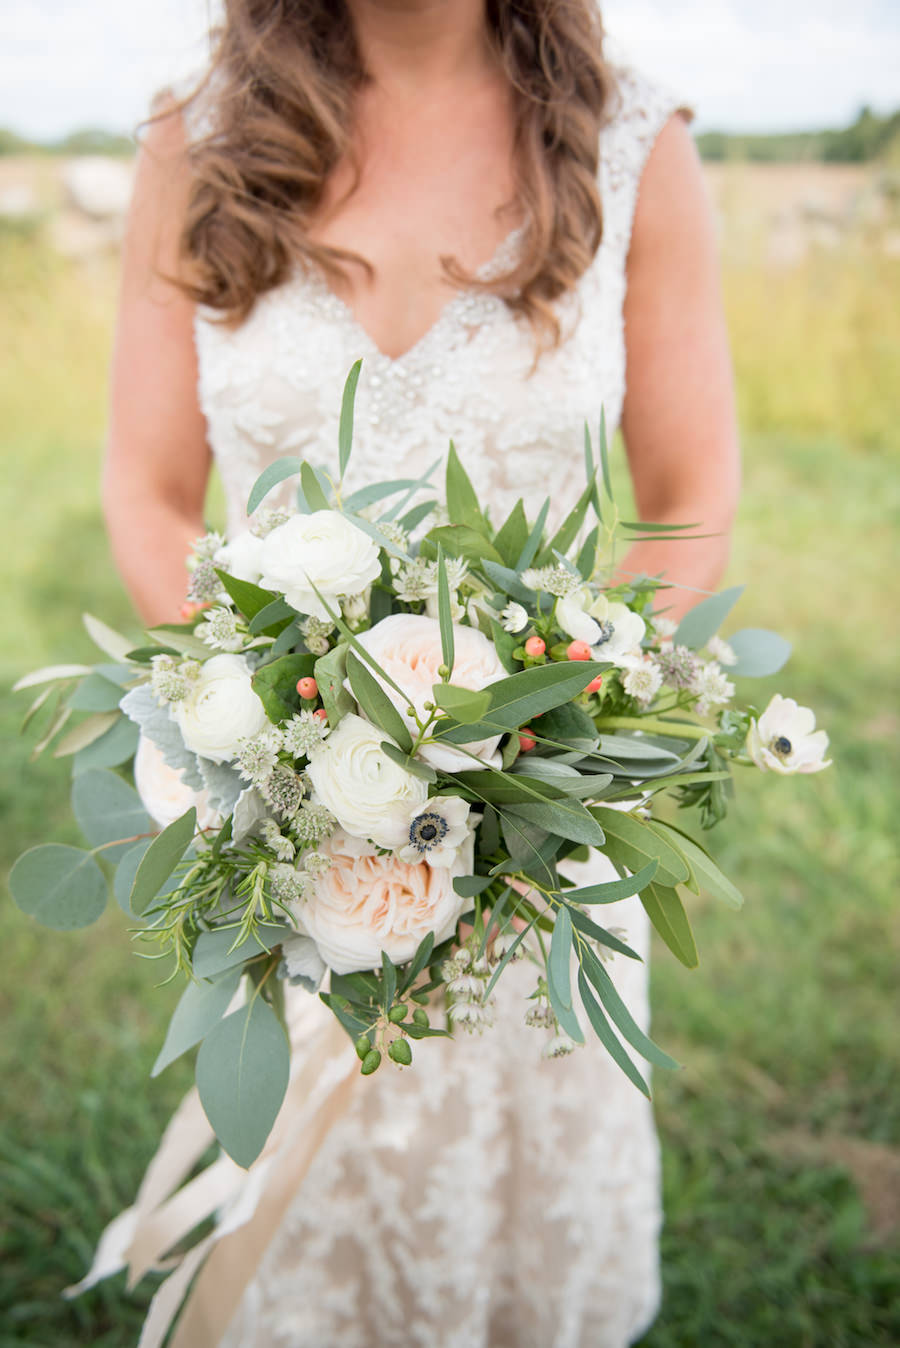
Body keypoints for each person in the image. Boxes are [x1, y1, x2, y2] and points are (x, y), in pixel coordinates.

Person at [99, 2, 741, 1344]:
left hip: (539, 851)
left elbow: (688, 500)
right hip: (290, 832)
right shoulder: (193, 138)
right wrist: (277, 734)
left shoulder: (636, 145)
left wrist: (559, 739)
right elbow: (152, 490)